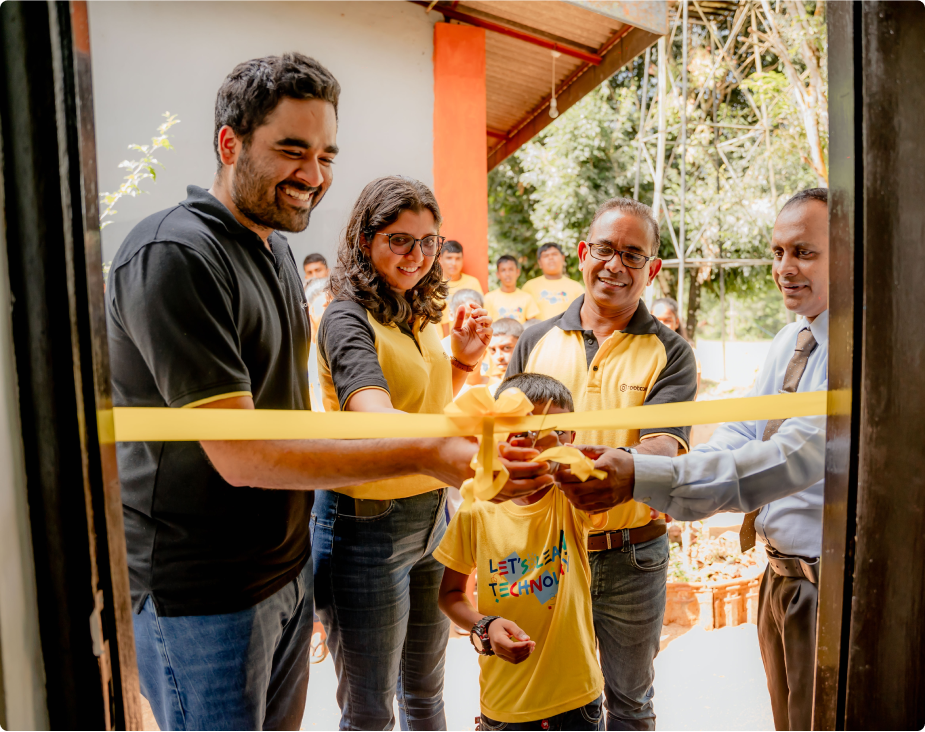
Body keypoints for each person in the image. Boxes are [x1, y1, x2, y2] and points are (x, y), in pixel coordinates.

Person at [105, 54, 550, 732]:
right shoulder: (175, 253)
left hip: (283, 572)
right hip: (204, 595)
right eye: (290, 150)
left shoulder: (272, 248)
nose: (312, 175)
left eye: (324, 155)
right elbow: (241, 455)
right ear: (229, 144)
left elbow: (292, 422)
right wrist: (428, 453)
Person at [563, 189, 830, 732]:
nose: (784, 268)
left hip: (827, 587)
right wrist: (662, 481)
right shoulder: (790, 340)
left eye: (804, 252)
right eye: (777, 252)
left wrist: (647, 476)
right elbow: (740, 432)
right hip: (779, 579)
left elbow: (789, 458)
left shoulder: (856, 350)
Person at [313, 175, 519, 730]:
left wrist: (462, 362)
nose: (417, 254)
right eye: (400, 240)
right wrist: (455, 447)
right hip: (365, 527)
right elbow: (373, 414)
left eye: (428, 241)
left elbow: (423, 402)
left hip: (432, 517)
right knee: (370, 711)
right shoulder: (346, 316)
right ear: (365, 239)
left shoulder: (416, 308)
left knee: (426, 694)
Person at [506, 197, 698, 730]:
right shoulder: (533, 339)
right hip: (544, 555)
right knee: (551, 701)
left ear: (652, 269)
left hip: (630, 556)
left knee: (630, 704)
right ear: (582, 252)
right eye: (605, 249)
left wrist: (610, 469)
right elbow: (507, 441)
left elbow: (663, 448)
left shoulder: (671, 352)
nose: (614, 265)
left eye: (632, 255)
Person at [435, 373, 604, 731]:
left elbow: (604, 489)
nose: (542, 446)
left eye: (556, 433)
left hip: (578, 699)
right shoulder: (475, 507)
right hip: (506, 704)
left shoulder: (573, 499)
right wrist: (485, 626)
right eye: (528, 433)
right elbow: (449, 596)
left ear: (571, 438)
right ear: (503, 436)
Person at [523, 242, 585, 321]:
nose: (550, 258)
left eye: (554, 254)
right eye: (546, 256)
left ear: (562, 258)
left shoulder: (576, 287)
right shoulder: (529, 287)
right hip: (539, 333)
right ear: (540, 263)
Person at [651, 297, 701, 393]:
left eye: (667, 320)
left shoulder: (690, 354)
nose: (662, 325)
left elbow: (692, 396)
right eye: (656, 320)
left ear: (677, 322)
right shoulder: (640, 350)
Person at [439, 239, 484, 335]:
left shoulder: (472, 283)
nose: (453, 263)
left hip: (468, 337)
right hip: (441, 342)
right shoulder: (434, 284)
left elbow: (480, 311)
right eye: (449, 258)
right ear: (440, 259)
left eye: (457, 258)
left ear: (462, 260)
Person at [484, 255, 541, 326]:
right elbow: (486, 325)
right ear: (498, 274)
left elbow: (532, 326)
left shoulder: (527, 298)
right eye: (503, 270)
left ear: (517, 272)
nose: (507, 274)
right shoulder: (489, 298)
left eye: (511, 269)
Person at [486, 317, 523, 392]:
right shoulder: (488, 385)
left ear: (522, 345)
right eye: (493, 350)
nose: (499, 357)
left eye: (506, 348)